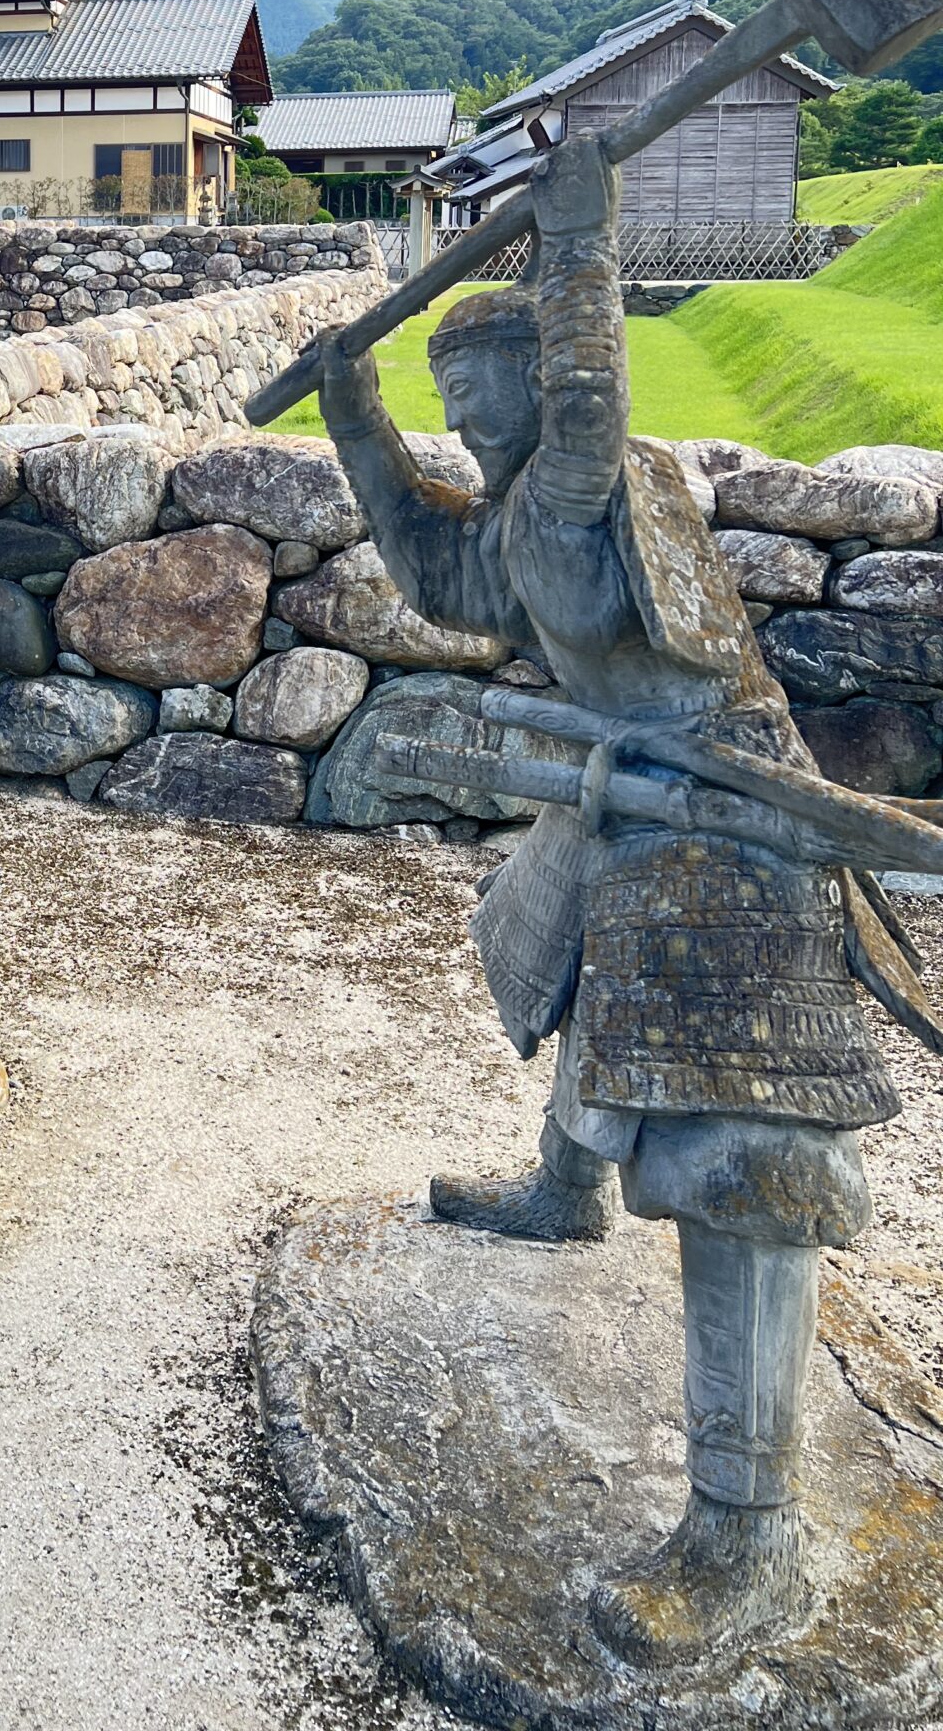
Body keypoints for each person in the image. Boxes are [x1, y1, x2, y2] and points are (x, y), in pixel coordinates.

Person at [315, 134, 918, 1664]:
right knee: (569, 971)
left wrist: (580, 241)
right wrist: (359, 425)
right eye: (449, 391)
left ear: (536, 379)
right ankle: (563, 1194)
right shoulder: (525, 515)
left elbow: (597, 403)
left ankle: (746, 1535)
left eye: (483, 381)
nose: (468, 406)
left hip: (729, 822)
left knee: (739, 1158)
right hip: (627, 805)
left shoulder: (591, 476)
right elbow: (450, 586)